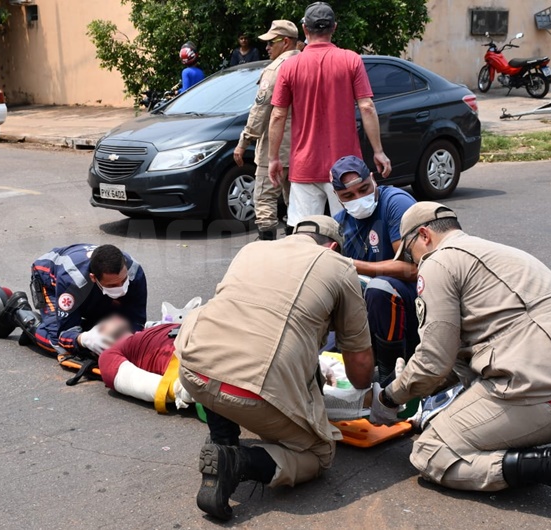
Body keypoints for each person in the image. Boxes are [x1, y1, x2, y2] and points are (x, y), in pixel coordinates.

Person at [370, 202, 551, 526]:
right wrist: (415, 387)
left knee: (429, 452)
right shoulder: (497, 253)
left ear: (424, 235)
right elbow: (457, 362)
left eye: (411, 253)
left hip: (544, 391)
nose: (413, 263)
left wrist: (389, 398)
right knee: (450, 421)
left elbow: (433, 360)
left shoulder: (438, 262)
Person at [175, 215, 374, 521]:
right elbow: (360, 368)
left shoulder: (253, 250)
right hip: (254, 390)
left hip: (193, 370)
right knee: (320, 455)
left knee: (223, 346)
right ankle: (237, 461)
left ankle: (222, 438)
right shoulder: (338, 265)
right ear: (333, 246)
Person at [268, 2, 391, 228]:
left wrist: (274, 158)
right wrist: (378, 152)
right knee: (351, 232)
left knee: (305, 234)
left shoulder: (289, 67)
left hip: (304, 165)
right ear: (334, 28)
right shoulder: (351, 60)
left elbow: (277, 115)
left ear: (305, 29)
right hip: (346, 168)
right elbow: (367, 107)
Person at [331, 155, 418, 383]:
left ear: (372, 179)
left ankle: (390, 373)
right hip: (366, 308)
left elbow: (416, 269)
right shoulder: (339, 223)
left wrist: (357, 266)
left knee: (380, 288)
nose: (358, 198)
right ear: (337, 197)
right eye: (348, 196)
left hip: (411, 299)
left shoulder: (396, 203)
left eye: (364, 189)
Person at [0, 244, 147, 361]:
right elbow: (65, 334)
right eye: (112, 285)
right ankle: (19, 313)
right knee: (61, 347)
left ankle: (46, 326)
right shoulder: (72, 280)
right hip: (50, 279)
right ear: (94, 278)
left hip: (87, 288)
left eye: (123, 281)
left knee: (114, 329)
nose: (121, 288)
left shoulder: (135, 271)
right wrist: (85, 340)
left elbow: (136, 321)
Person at [233, 20, 301, 240]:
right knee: (297, 201)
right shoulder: (307, 65)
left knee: (264, 197)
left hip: (276, 146)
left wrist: (244, 142)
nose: (267, 47)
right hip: (303, 147)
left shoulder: (275, 69)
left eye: (272, 42)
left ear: (286, 42)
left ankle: (267, 244)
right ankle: (297, 243)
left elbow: (260, 111)